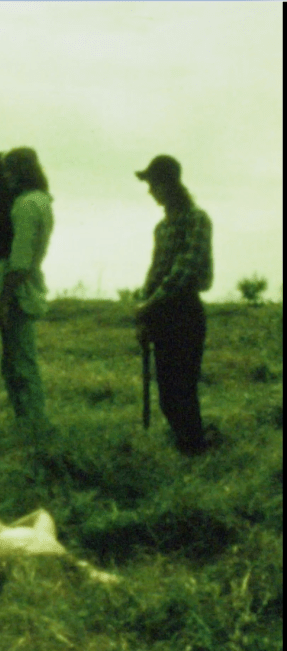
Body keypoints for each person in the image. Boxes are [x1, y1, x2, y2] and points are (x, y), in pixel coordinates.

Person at [134, 155, 215, 455]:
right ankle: (187, 449)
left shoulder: (196, 219)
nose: (150, 191)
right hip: (161, 313)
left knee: (183, 389)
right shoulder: (162, 227)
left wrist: (149, 305)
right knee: (167, 394)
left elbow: (186, 268)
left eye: (153, 184)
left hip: (184, 311)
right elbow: (155, 270)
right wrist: (144, 308)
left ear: (169, 184)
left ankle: (195, 451)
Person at [0, 147, 53, 437]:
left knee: (20, 366)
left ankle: (33, 428)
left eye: (9, 171)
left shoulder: (26, 205)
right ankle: (30, 426)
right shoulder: (40, 200)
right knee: (18, 363)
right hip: (27, 288)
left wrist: (3, 303)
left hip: (19, 292)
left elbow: (19, 261)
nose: (6, 178)